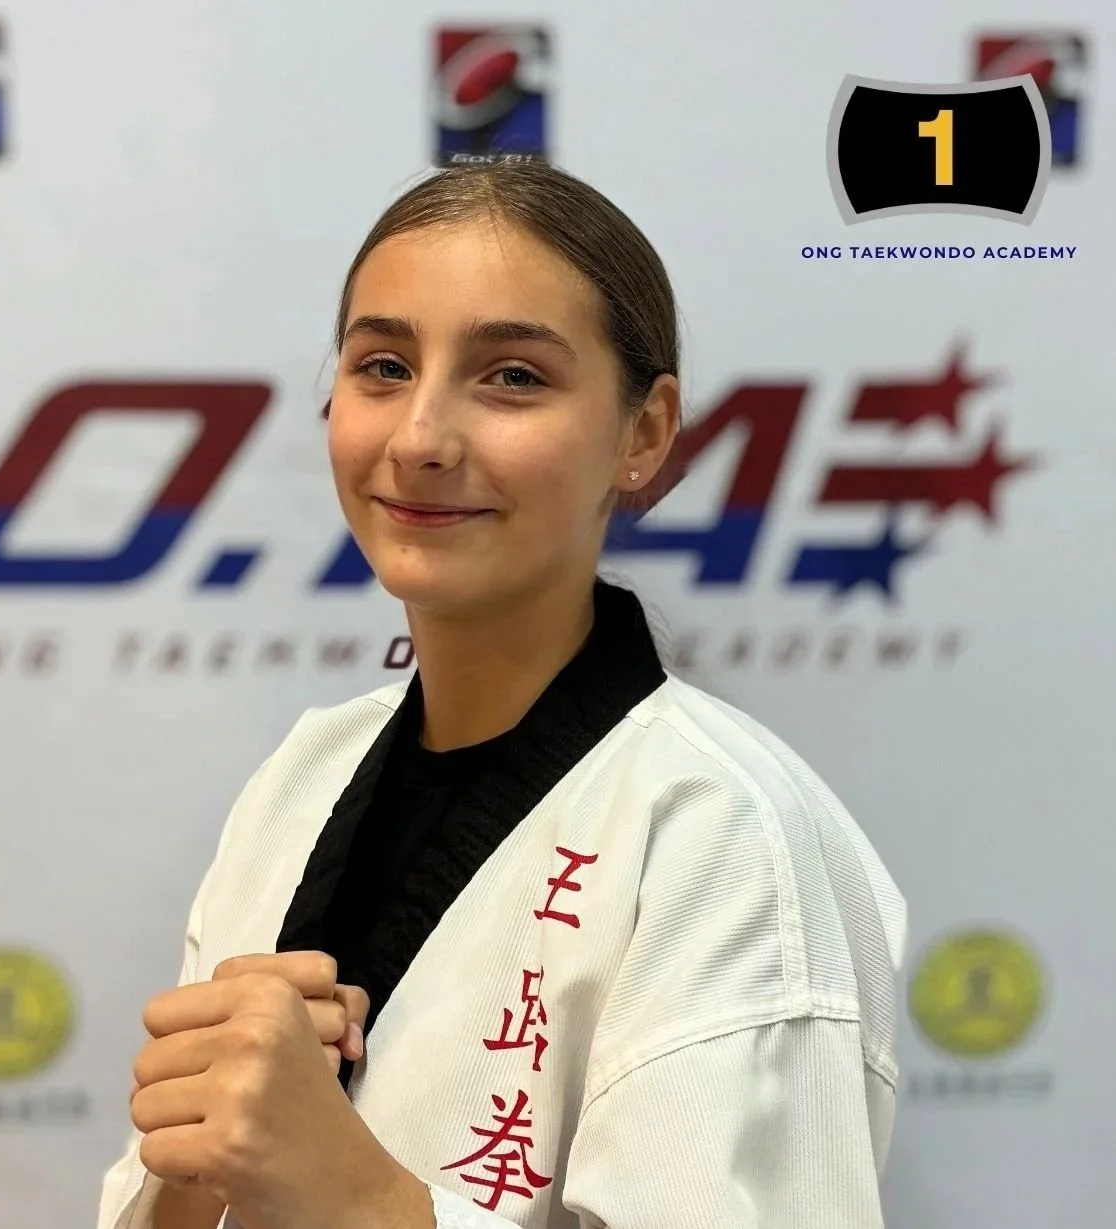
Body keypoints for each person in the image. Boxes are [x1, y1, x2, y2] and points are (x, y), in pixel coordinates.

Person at [96, 158, 907, 1229]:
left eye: (513, 376)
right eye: (383, 365)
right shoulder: (302, 778)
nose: (421, 439)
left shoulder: (726, 833)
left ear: (644, 433)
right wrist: (203, 1163)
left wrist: (354, 1191)